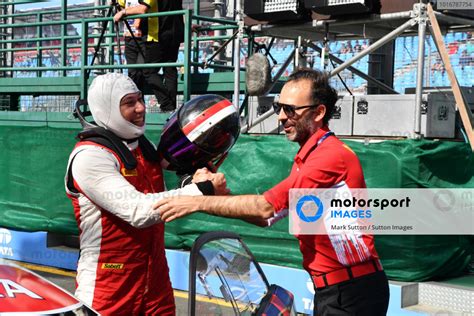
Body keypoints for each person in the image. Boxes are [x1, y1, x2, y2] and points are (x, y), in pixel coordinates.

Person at [154, 68, 390, 315]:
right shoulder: (311, 155)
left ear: (319, 112)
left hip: (351, 292)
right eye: (279, 107)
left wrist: (196, 202)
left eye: (290, 110)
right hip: (338, 289)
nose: (280, 117)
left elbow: (266, 207)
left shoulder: (329, 157)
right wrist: (219, 196)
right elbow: (268, 218)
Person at [64, 73, 227, 315]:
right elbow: (138, 211)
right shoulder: (90, 156)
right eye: (129, 103)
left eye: (140, 99)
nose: (141, 108)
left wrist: (195, 175)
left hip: (155, 281)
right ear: (106, 107)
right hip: (108, 288)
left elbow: (177, 170)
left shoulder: (142, 145)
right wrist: (202, 189)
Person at [114, 0, 176, 112]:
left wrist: (133, 18)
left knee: (146, 71)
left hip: (146, 36)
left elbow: (143, 9)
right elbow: (120, 10)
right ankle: (141, 106)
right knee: (134, 73)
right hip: (130, 37)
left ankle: (167, 106)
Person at [156, 0, 185, 112]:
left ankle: (166, 103)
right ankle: (170, 106)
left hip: (160, 32)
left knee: (149, 71)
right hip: (175, 32)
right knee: (170, 68)